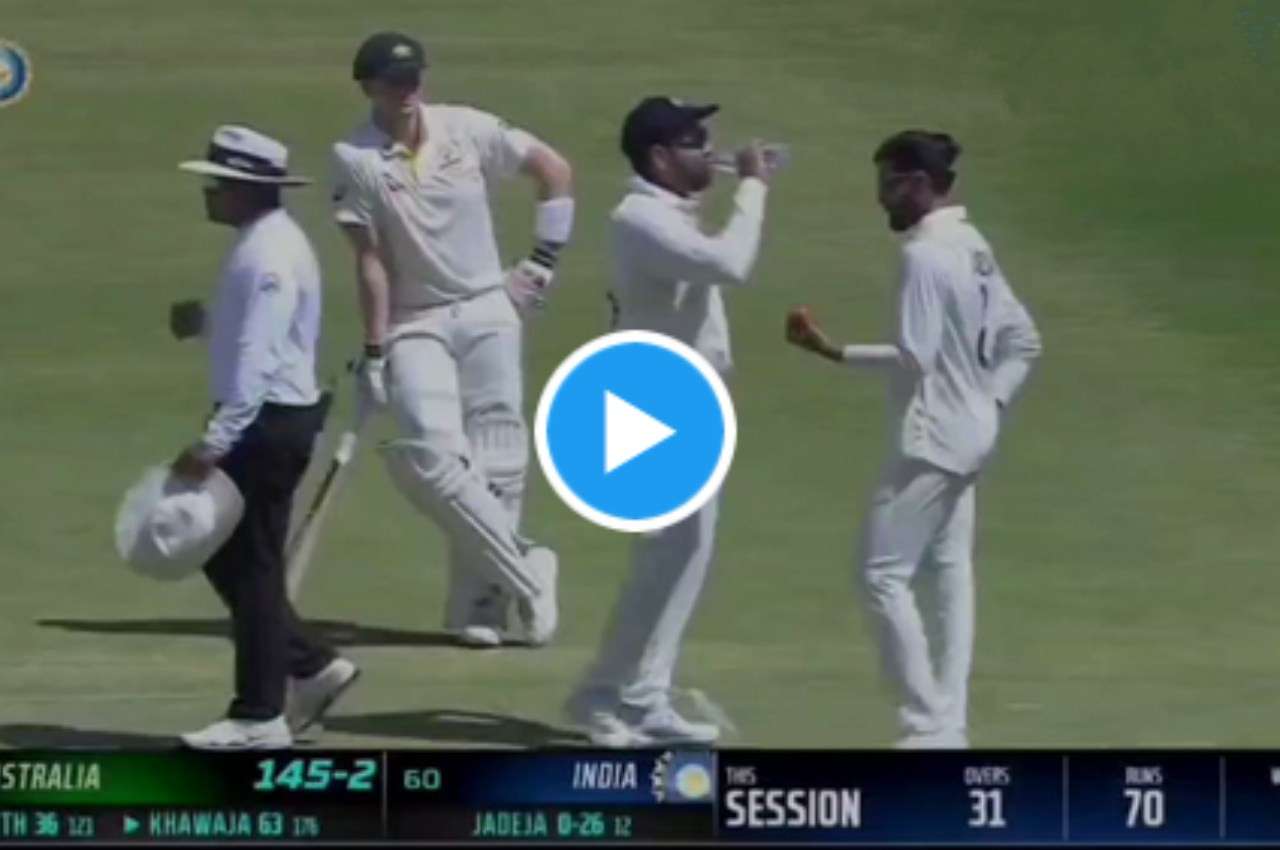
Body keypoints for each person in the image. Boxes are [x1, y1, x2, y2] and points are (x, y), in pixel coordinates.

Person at [786, 130, 1042, 748]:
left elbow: (913, 358)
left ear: (919, 184)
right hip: (973, 435)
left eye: (888, 184)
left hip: (933, 441)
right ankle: (948, 723)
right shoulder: (973, 246)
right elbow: (1024, 341)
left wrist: (831, 351)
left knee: (881, 574)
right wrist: (990, 401)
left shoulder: (924, 257)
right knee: (950, 571)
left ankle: (927, 724)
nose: (881, 198)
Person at [330, 32, 573, 647]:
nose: (407, 90)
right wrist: (375, 349)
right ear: (368, 87)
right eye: (393, 81)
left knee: (499, 459)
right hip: (414, 320)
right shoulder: (355, 157)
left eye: (414, 77)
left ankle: (481, 603)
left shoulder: (466, 127)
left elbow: (554, 171)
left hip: (488, 306)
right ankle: (529, 569)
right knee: (432, 454)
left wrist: (541, 265)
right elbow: (370, 260)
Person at [564, 97, 775, 746]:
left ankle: (645, 695)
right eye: (692, 141)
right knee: (664, 557)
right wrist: (753, 187)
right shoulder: (639, 218)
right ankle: (599, 696)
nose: (708, 147)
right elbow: (730, 265)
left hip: (681, 401)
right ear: (658, 157)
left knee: (686, 554)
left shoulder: (669, 212)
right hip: (650, 404)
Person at [171, 125, 359, 750]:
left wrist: (214, 441)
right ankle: (311, 665)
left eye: (218, 183)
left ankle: (259, 715)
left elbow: (257, 358)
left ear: (248, 189)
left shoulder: (267, 256)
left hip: (264, 425)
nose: (209, 193)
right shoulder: (264, 243)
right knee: (231, 557)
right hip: (268, 419)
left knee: (249, 566)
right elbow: (255, 331)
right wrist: (207, 322)